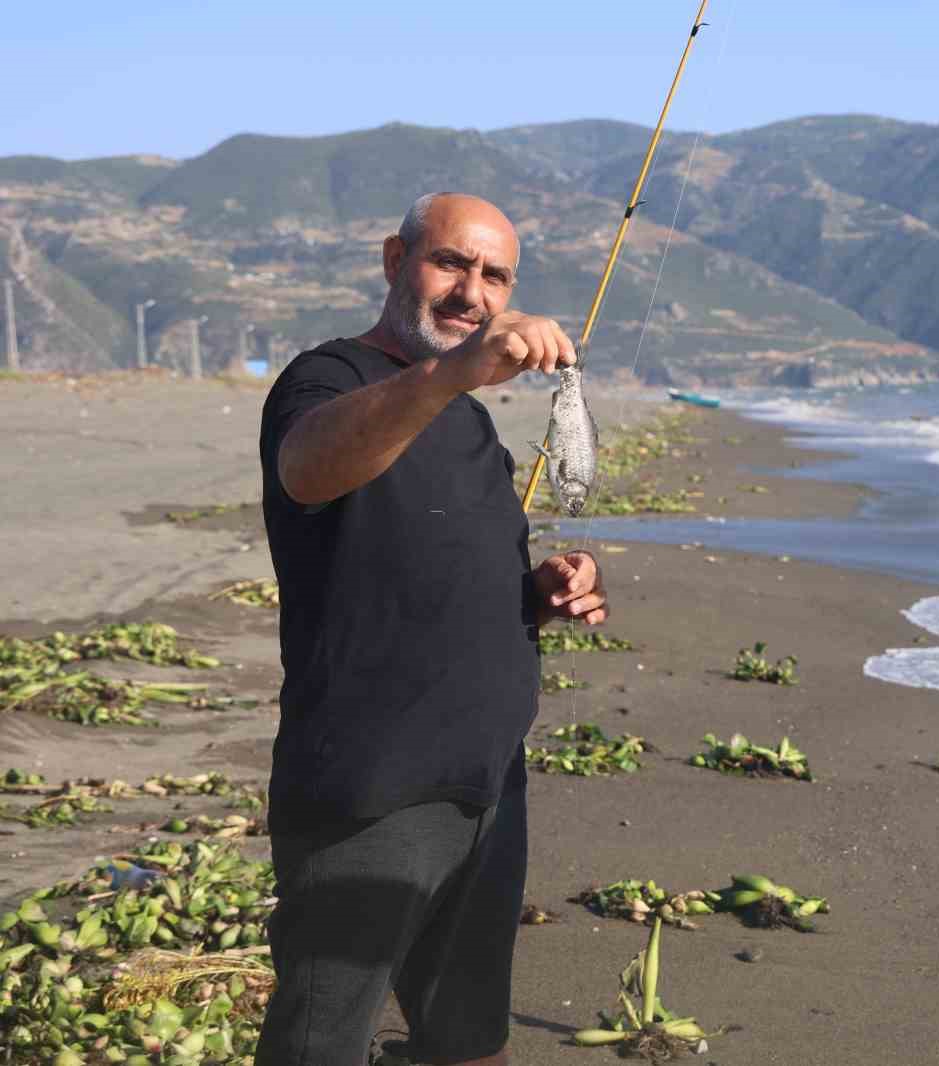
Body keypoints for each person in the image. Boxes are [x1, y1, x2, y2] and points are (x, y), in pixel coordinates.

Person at [255, 192, 609, 1066]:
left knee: (468, 1041)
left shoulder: (474, 425)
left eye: (495, 277)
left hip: (488, 787)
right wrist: (454, 372)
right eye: (451, 263)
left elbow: (451, 577)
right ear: (394, 260)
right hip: (370, 792)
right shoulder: (328, 379)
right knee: (319, 1044)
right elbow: (308, 469)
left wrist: (543, 592)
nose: (471, 293)